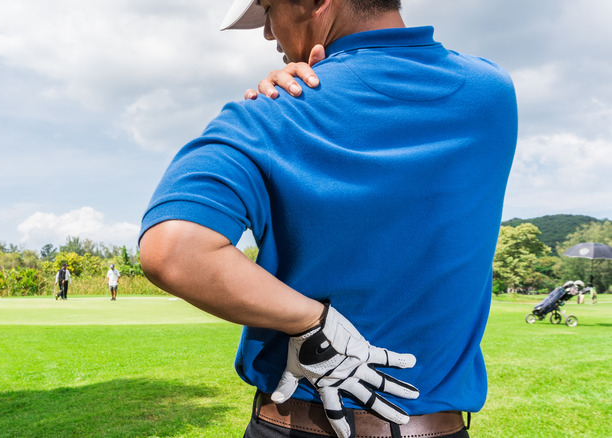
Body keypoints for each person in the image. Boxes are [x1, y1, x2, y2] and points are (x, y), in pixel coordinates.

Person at [139, 1, 517, 437]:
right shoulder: (492, 94)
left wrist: (311, 322)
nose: (267, 33)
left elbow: (174, 250)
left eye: (268, 10)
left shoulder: (269, 113)